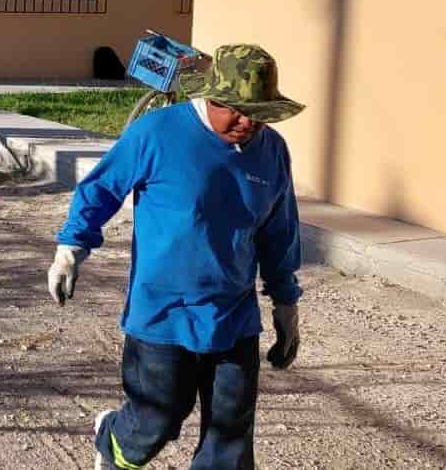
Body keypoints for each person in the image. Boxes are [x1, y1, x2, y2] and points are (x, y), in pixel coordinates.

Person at [47, 44, 305, 470]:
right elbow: (100, 189)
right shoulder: (158, 133)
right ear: (211, 99)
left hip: (234, 313)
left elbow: (280, 230)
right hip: (162, 312)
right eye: (237, 110)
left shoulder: (271, 150)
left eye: (259, 112)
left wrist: (286, 301)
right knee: (156, 421)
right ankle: (112, 437)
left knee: (231, 436)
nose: (249, 122)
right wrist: (71, 249)